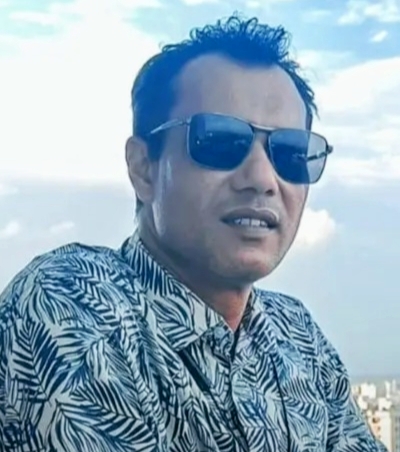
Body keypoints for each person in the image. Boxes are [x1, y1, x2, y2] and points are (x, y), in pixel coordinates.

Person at [0, 14, 386, 452]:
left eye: (292, 153)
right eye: (220, 142)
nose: (262, 178)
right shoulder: (74, 302)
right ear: (143, 168)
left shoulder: (299, 339)